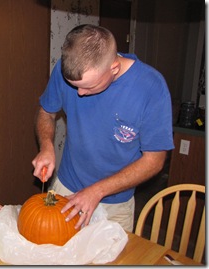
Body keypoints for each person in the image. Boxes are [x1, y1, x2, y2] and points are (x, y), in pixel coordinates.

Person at [32, 24, 174, 232]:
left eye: (88, 86)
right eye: (74, 85)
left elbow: (154, 161)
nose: (79, 93)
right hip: (64, 189)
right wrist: (46, 146)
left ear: (114, 68)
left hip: (115, 204)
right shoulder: (66, 68)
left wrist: (97, 191)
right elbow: (47, 112)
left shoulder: (151, 88)